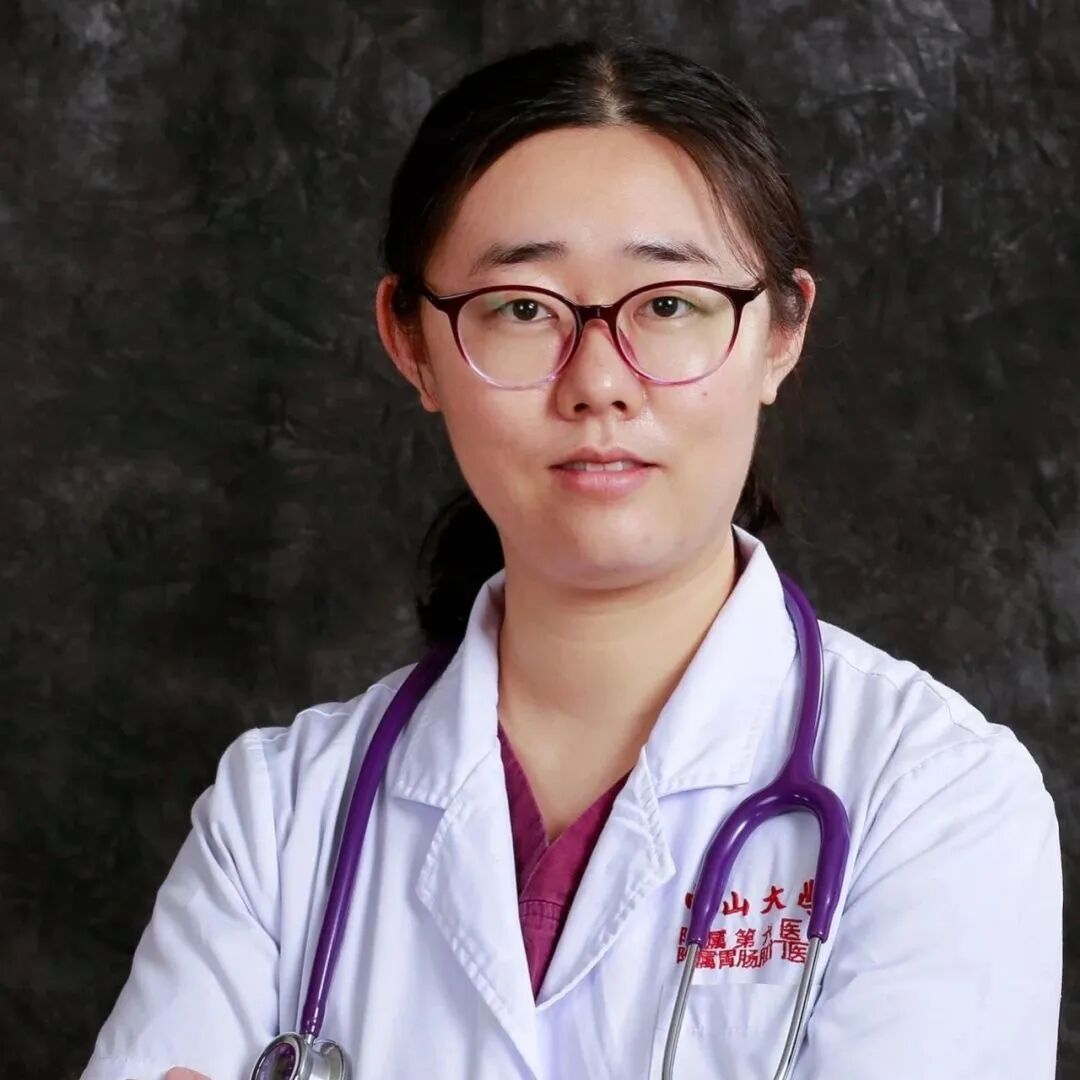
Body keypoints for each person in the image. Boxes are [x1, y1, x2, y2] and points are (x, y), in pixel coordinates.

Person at [80, 38, 1062, 1080]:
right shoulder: (280, 815)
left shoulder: (936, 796)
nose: (598, 382)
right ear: (411, 343)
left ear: (782, 333)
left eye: (670, 304)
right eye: (521, 309)